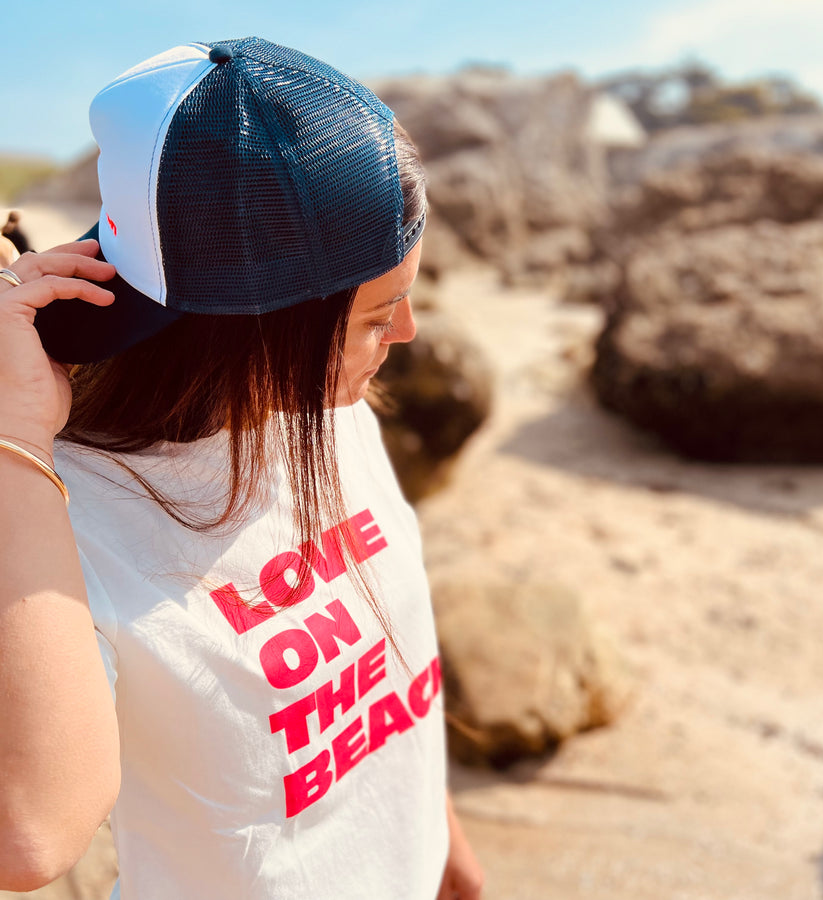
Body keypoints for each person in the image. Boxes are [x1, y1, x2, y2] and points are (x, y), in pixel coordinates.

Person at [0, 37, 483, 900]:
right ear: (259, 334)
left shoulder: (332, 414)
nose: (406, 334)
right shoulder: (62, 518)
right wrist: (13, 443)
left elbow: (390, 666)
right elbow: (31, 837)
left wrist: (446, 852)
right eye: (377, 314)